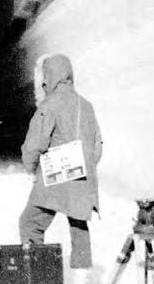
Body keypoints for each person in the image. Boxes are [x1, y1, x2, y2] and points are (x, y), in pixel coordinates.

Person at [19, 54, 102, 284]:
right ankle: (82, 275)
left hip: (54, 178)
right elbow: (97, 148)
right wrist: (84, 168)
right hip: (82, 178)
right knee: (78, 223)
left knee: (30, 223)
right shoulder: (87, 106)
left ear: (50, 76)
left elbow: (35, 143)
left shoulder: (49, 105)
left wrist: (32, 168)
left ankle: (41, 276)